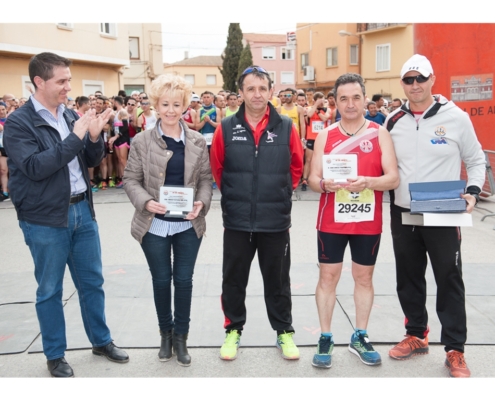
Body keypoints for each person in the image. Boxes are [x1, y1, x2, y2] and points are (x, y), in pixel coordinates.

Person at [3, 52, 128, 378]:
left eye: (69, 80)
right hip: (45, 218)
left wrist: (94, 136)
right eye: (62, 81)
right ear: (39, 82)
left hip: (82, 212)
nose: (68, 87)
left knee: (92, 283)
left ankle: (101, 341)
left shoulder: (70, 114)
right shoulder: (19, 123)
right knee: (50, 290)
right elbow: (35, 167)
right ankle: (55, 354)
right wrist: (75, 136)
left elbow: (89, 159)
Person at [386, 54, 486, 378]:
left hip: (442, 209)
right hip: (403, 209)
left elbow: (476, 159)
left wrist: (472, 190)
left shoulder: (456, 117)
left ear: (432, 80)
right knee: (409, 276)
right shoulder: (392, 121)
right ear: (402, 84)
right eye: (408, 80)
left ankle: (455, 349)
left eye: (420, 78)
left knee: (448, 278)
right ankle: (416, 333)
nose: (415, 85)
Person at [210, 66, 304, 361]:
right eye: (250, 88)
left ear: (271, 91)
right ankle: (233, 330)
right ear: (241, 93)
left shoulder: (287, 126)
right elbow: (218, 169)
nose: (257, 94)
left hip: (275, 220)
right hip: (237, 220)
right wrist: (238, 197)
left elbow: (297, 168)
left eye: (262, 88)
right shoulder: (225, 127)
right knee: (234, 279)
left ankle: (284, 332)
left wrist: (277, 194)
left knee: (278, 280)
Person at [308, 73, 399, 369]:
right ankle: (325, 336)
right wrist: (324, 186)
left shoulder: (379, 132)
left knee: (363, 278)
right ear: (336, 101)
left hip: (367, 221)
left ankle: (360, 336)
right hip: (331, 221)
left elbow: (393, 177)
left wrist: (369, 182)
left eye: (356, 97)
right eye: (344, 98)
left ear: (364, 99)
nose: (350, 104)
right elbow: (312, 178)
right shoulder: (325, 135)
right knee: (328, 278)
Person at [123, 74, 212, 367]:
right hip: (154, 225)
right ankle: (165, 333)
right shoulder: (141, 141)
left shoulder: (197, 140)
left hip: (188, 224)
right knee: (162, 280)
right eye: (165, 104)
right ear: (156, 106)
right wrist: (146, 202)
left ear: (185, 106)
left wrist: (202, 202)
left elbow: (205, 181)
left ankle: (181, 338)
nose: (171, 110)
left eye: (177, 104)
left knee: (184, 281)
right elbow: (130, 180)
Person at [301, 92, 330, 191]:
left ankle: (321, 178)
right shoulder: (310, 109)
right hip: (311, 138)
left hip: (322, 138)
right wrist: (315, 106)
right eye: (319, 100)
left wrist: (318, 111)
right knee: (308, 160)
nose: (321, 102)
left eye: (322, 100)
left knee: (321, 159)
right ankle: (305, 179)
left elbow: (325, 118)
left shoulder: (327, 109)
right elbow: (308, 115)